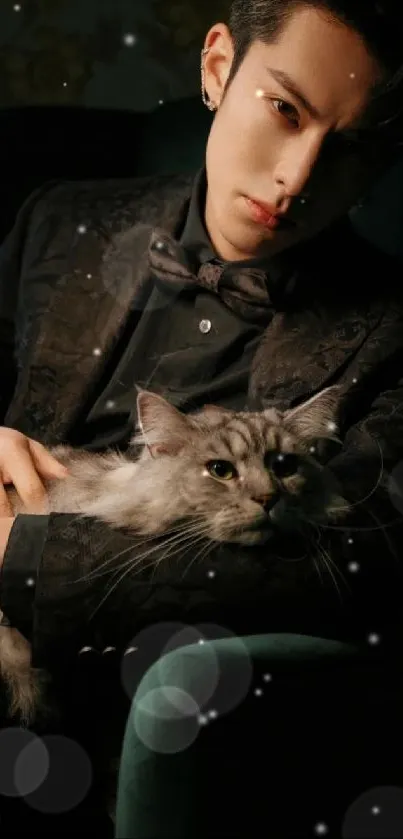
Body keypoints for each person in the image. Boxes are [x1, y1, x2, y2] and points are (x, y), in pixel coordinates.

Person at [1, 0, 403, 831]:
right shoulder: (57, 219)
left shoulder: (394, 334)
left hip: (159, 713)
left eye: (350, 147)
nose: (296, 177)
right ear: (217, 68)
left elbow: (363, 575)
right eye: (284, 110)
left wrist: (22, 549)